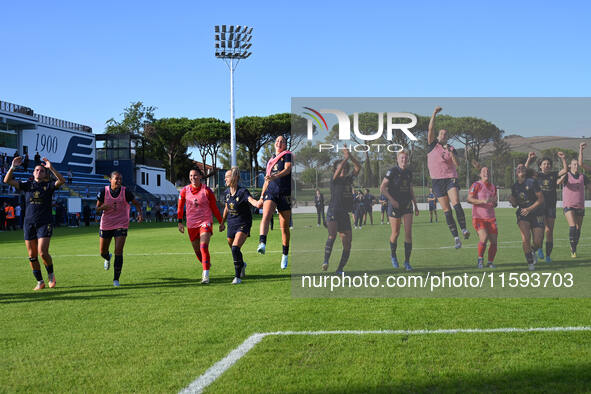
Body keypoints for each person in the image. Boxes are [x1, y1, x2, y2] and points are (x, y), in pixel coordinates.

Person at [3, 156, 65, 290]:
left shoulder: (48, 186)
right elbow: (6, 180)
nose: (39, 172)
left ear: (45, 174)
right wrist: (13, 167)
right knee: (32, 255)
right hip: (29, 223)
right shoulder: (27, 185)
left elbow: (62, 180)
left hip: (44, 222)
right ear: (33, 173)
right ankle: (40, 281)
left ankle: (51, 275)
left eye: (42, 171)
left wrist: (51, 168)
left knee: (42, 252)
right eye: (37, 170)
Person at [427, 106, 469, 248]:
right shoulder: (432, 145)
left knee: (456, 202)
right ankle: (456, 237)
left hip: (451, 178)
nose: (443, 136)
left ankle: (464, 228)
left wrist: (450, 152)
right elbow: (430, 129)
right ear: (438, 136)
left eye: (446, 134)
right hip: (437, 181)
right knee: (447, 210)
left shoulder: (451, 148)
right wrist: (434, 113)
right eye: (441, 134)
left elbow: (457, 164)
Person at [96, 171, 143, 287]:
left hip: (121, 223)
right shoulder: (103, 191)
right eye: (116, 179)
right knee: (102, 252)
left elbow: (136, 203)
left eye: (120, 179)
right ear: (110, 180)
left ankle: (116, 279)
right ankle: (107, 257)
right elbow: (97, 208)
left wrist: (140, 214)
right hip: (106, 224)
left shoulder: (126, 191)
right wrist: (103, 207)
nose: (119, 181)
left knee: (119, 251)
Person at [178, 167, 223, 284]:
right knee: (198, 251)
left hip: (205, 222)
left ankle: (205, 276)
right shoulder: (184, 191)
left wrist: (221, 221)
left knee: (203, 246)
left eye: (195, 175)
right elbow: (180, 206)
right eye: (191, 176)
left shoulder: (207, 191)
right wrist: (179, 222)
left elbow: (214, 207)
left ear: (200, 176)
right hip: (191, 224)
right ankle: (206, 263)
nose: (193, 178)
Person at [322, 147, 361, 273]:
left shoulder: (348, 180)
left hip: (344, 214)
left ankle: (340, 269)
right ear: (336, 170)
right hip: (333, 211)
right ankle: (326, 261)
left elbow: (358, 167)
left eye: (345, 168)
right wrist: (345, 158)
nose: (343, 170)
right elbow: (338, 169)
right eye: (340, 168)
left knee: (347, 243)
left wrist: (350, 156)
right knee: (332, 235)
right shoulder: (334, 180)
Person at [256, 135, 292, 269]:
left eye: (282, 141)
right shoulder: (270, 160)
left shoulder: (288, 155)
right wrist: (261, 196)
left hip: (284, 193)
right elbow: (267, 180)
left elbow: (287, 169)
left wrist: (275, 176)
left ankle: (285, 255)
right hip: (271, 192)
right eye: (277, 141)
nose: (279, 143)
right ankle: (262, 243)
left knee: (284, 228)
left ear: (285, 145)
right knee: (266, 216)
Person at [524, 151, 567, 262]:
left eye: (548, 164)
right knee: (541, 231)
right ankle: (539, 249)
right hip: (539, 207)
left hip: (551, 206)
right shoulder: (537, 175)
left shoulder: (553, 174)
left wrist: (563, 159)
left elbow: (565, 170)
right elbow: (525, 169)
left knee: (549, 231)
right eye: (544, 164)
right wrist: (529, 158)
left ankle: (548, 256)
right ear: (540, 166)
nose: (546, 165)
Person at [380, 151, 420, 271]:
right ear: (397, 159)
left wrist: (416, 205)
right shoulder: (392, 171)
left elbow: (411, 190)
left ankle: (407, 262)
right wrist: (392, 200)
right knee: (395, 233)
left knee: (408, 233)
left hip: (407, 205)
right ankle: (393, 255)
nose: (404, 160)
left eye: (406, 158)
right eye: (402, 158)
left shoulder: (409, 173)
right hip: (395, 206)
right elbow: (382, 188)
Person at [220, 168, 259, 284]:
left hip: (243, 223)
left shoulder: (243, 192)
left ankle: (237, 277)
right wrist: (222, 222)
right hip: (231, 224)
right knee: (233, 249)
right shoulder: (226, 193)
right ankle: (242, 264)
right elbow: (227, 207)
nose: (225, 179)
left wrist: (258, 203)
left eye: (227, 176)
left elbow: (251, 200)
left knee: (235, 248)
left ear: (234, 177)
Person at [510, 165, 544, 270]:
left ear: (525, 171)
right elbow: (515, 204)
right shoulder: (514, 186)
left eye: (522, 168)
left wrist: (529, 208)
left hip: (536, 213)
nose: (520, 169)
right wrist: (512, 201)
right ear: (516, 173)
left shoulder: (532, 182)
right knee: (526, 238)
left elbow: (541, 199)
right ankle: (530, 263)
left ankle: (532, 250)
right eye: (518, 168)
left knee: (538, 242)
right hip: (522, 214)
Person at [558, 144, 590, 258]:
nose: (576, 166)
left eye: (577, 164)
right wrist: (562, 177)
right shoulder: (566, 175)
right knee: (572, 226)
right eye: (574, 164)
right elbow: (558, 183)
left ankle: (574, 246)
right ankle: (573, 249)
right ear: (570, 165)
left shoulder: (583, 177)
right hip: (569, 206)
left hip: (580, 206)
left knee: (578, 228)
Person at [467, 166, 498, 269]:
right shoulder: (476, 185)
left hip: (491, 218)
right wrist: (482, 201)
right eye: (484, 171)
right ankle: (480, 259)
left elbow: (495, 202)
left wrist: (493, 203)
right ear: (480, 174)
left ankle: (490, 262)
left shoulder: (493, 187)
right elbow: (469, 199)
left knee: (494, 242)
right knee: (484, 238)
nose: (486, 173)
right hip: (478, 218)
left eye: (488, 171)